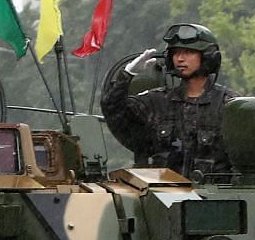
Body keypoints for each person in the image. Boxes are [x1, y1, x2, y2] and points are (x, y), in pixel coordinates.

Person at [100, 22, 234, 177]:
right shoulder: (157, 102)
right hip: (161, 194)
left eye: (188, 52)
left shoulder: (228, 105)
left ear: (208, 57)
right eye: (176, 53)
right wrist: (127, 75)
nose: (180, 59)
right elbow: (113, 110)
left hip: (213, 198)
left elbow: (243, 160)